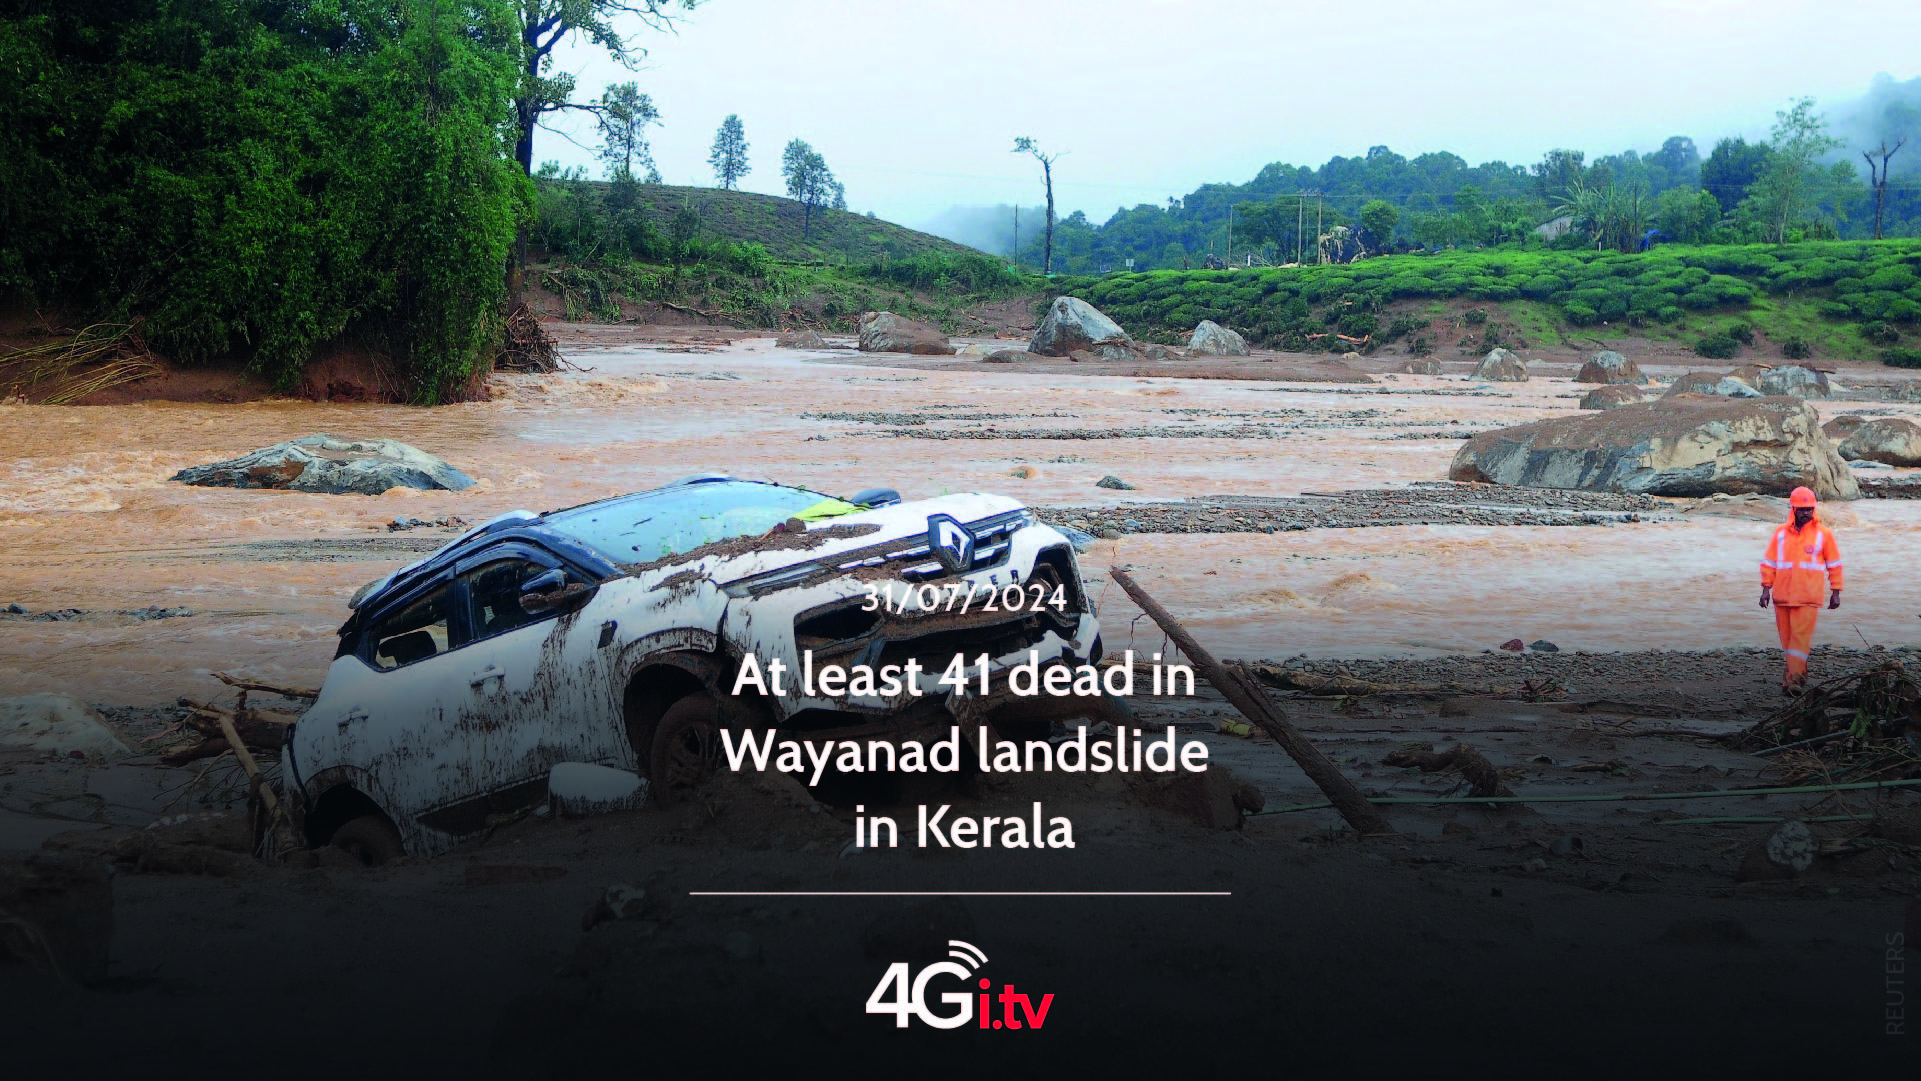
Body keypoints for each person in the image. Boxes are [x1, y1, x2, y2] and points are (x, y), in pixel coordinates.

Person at [1758, 486, 1843, 695]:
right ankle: (1800, 673)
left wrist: (1836, 591)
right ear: (1793, 509)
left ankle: (1792, 681)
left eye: (1809, 509)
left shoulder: (1824, 534)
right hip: (1782, 597)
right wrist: (1765, 589)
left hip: (1808, 597)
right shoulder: (1780, 534)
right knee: (1788, 642)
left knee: (1799, 640)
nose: (1806, 513)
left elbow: (1835, 564)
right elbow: (1769, 563)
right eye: (1802, 509)